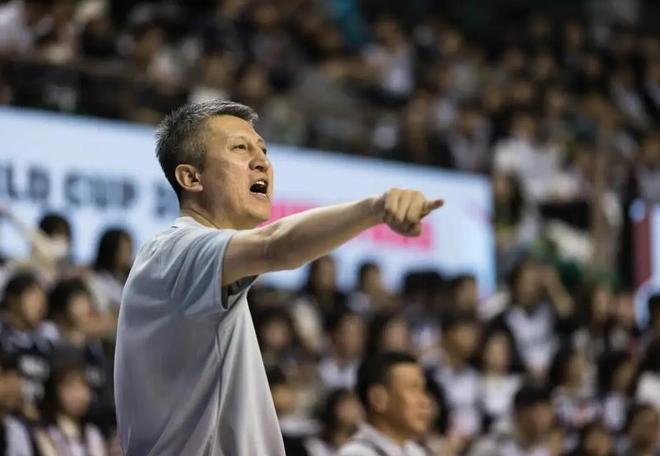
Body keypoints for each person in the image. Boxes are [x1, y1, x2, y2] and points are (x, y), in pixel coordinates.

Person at [114, 100, 443, 455]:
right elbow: (275, 245)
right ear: (191, 178)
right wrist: (375, 209)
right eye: (240, 148)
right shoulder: (174, 251)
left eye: (263, 150)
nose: (262, 162)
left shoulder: (200, 271)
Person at [339, 352, 431, 456]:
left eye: (423, 390)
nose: (425, 401)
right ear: (378, 399)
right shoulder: (357, 453)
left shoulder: (416, 451)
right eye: (413, 389)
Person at [33, 362, 106, 456]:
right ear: (56, 391)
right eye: (71, 388)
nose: (78, 395)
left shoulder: (93, 433)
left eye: (83, 387)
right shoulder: (46, 433)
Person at [469, 384, 557, 456]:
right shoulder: (493, 446)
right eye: (541, 414)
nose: (547, 421)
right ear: (521, 413)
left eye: (549, 413)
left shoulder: (541, 448)